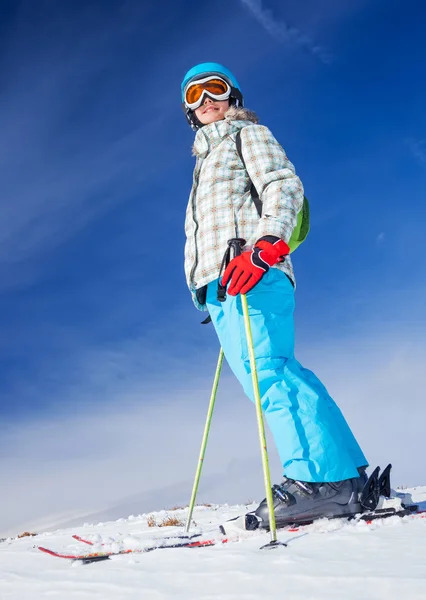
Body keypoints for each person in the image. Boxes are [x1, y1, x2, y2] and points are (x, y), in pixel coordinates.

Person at [181, 62, 368, 528]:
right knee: (273, 372)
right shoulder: (203, 166)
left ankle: (323, 483)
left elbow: (284, 185)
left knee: (270, 373)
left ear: (234, 95)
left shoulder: (247, 136)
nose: (206, 100)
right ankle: (344, 475)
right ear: (188, 110)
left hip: (252, 270)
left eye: (215, 88)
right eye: (194, 95)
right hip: (222, 285)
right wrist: (207, 289)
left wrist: (265, 248)